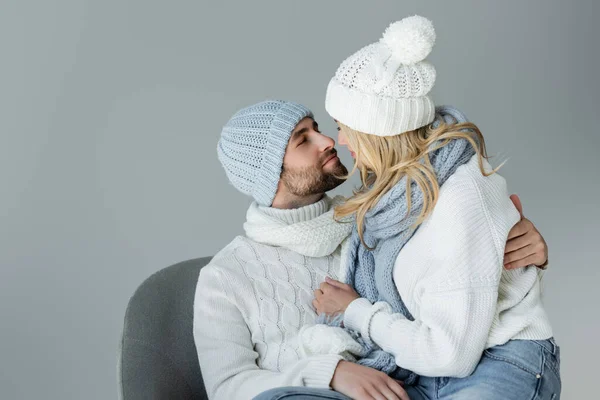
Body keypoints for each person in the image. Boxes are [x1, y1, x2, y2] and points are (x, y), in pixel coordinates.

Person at [193, 98, 551, 400]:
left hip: (441, 378)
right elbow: (228, 387)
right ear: (269, 173)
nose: (327, 140)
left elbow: (456, 284)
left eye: (317, 127)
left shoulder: (377, 221)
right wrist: (330, 372)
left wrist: (522, 252)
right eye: (303, 140)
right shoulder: (226, 276)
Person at [301, 16, 560, 400]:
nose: (338, 140)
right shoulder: (387, 199)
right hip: (420, 368)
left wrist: (355, 310)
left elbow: (451, 353)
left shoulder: (460, 197)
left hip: (498, 362)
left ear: (376, 130)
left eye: (344, 126)